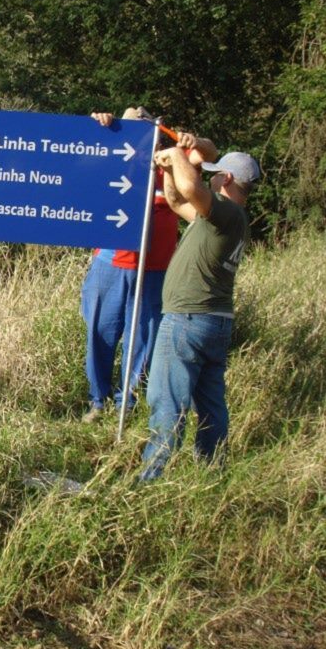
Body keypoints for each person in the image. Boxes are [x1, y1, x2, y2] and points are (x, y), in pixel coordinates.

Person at [80, 108, 217, 423]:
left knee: (142, 340)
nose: (144, 138)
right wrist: (101, 125)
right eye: (134, 128)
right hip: (110, 261)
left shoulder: (174, 158)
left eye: (148, 130)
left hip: (155, 267)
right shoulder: (115, 153)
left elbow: (209, 153)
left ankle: (125, 405)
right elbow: (82, 153)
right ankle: (97, 402)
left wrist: (193, 139)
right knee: (99, 332)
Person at [138, 149, 261, 480]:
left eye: (216, 172)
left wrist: (177, 153)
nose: (211, 176)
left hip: (187, 320)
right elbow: (179, 201)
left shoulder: (227, 213)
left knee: (167, 403)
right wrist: (167, 168)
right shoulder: (222, 219)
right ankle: (211, 473)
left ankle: (150, 479)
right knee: (210, 407)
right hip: (213, 322)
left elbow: (192, 188)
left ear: (228, 179)